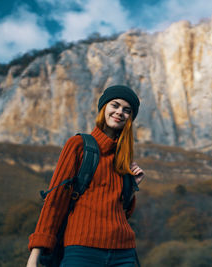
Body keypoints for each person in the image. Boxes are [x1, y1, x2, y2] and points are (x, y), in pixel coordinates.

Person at [26, 85, 145, 267]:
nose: (120, 112)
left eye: (127, 110)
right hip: (82, 251)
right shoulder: (78, 145)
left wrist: (131, 187)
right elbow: (55, 201)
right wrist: (35, 255)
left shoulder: (124, 158)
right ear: (104, 108)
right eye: (115, 105)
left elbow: (121, 211)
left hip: (124, 253)